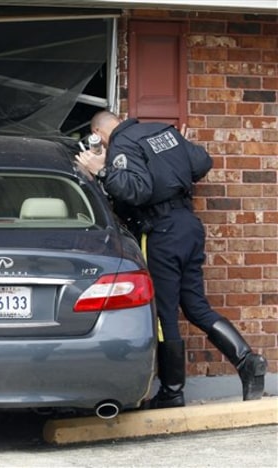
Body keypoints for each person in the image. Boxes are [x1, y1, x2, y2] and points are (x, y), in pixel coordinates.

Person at [75, 110, 267, 408]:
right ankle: (248, 361)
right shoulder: (164, 132)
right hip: (189, 226)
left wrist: (102, 170)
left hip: (162, 231)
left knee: (164, 315)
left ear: (98, 134)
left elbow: (138, 191)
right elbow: (202, 162)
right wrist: (172, 160)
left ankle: (172, 391)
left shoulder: (123, 145)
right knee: (195, 306)